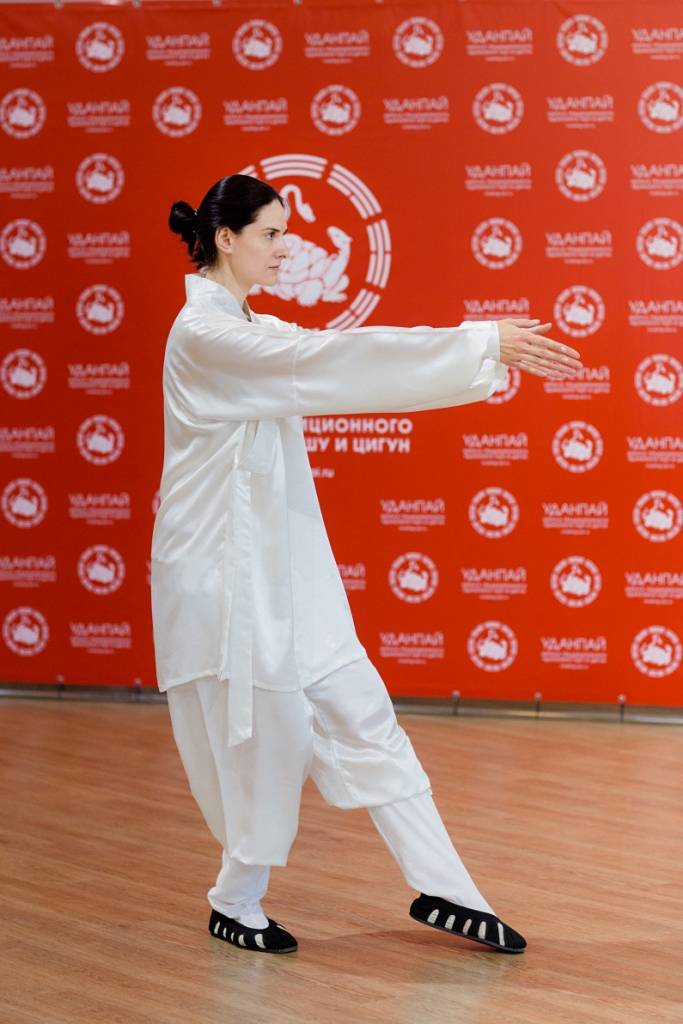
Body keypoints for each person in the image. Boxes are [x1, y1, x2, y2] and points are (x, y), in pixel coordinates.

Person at [152, 175, 581, 956]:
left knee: (363, 711)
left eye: (285, 234)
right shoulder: (204, 336)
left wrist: (476, 348)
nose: (285, 249)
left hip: (283, 569)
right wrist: (477, 343)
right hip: (223, 576)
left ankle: (447, 889)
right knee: (273, 738)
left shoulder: (252, 327)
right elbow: (329, 360)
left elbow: (332, 359)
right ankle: (234, 899)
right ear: (225, 239)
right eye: (271, 234)